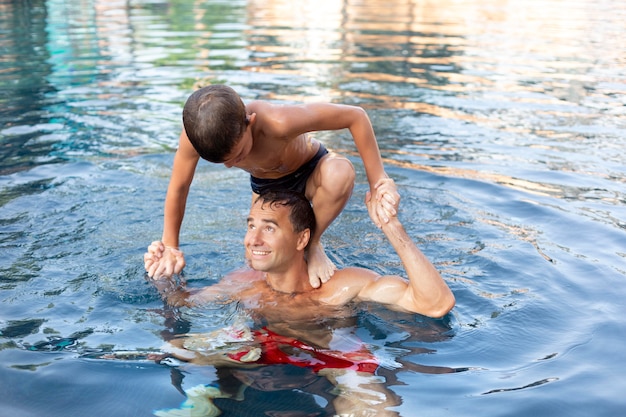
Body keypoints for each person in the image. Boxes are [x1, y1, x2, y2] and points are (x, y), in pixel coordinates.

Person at [144, 187, 455, 416]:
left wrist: (392, 226)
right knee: (174, 351)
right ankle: (209, 397)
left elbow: (435, 304)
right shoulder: (244, 282)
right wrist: (165, 276)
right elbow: (183, 303)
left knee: (377, 410)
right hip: (264, 345)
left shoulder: (343, 286)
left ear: (302, 239)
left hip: (336, 356)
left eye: (269, 227)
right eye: (251, 225)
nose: (253, 239)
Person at [145, 84, 399, 288]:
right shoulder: (195, 138)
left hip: (312, 171)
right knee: (258, 266)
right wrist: (170, 246)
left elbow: (356, 116)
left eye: (239, 155)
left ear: (251, 122)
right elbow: (178, 187)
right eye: (223, 162)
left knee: (339, 172)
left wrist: (379, 181)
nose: (231, 166)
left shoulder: (279, 121)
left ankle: (312, 244)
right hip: (267, 189)